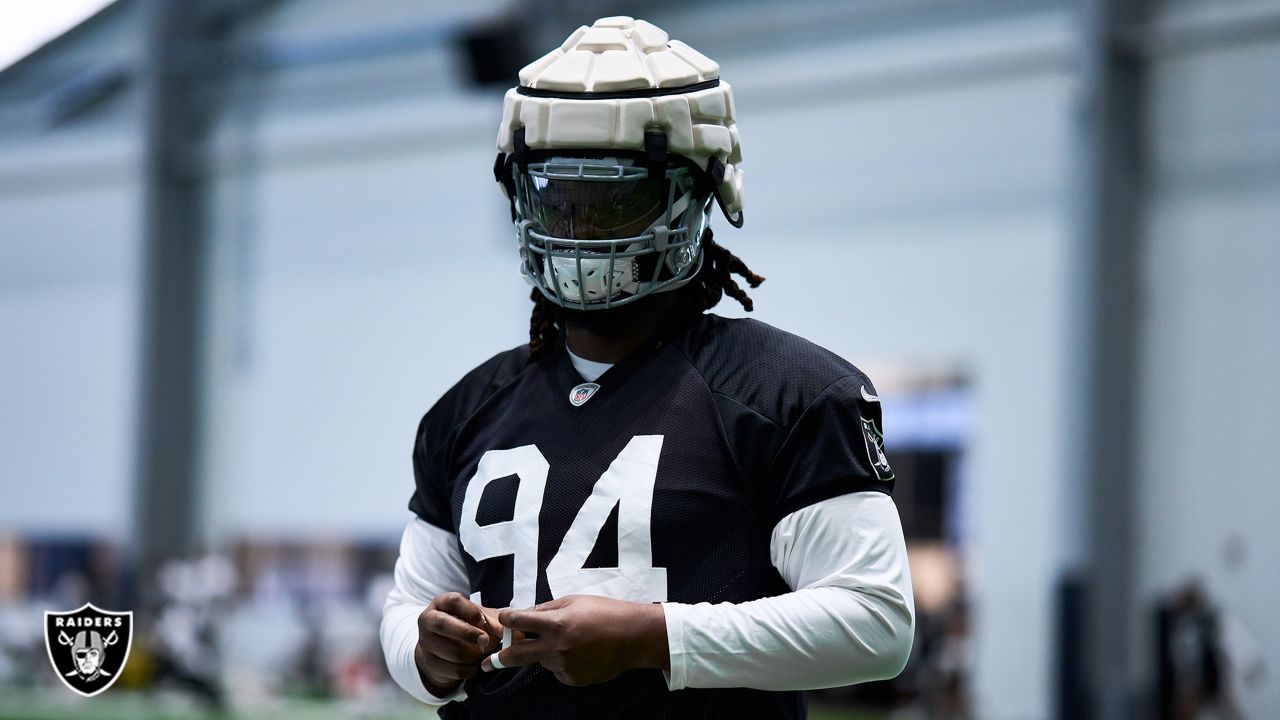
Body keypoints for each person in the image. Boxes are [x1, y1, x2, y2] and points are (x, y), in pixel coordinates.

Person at [381, 16, 914, 719]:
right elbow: (406, 608)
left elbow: (876, 624)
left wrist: (654, 639)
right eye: (556, 196)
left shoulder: (787, 392)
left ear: (697, 194)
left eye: (614, 196)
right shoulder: (466, 409)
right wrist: (428, 652)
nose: (577, 226)